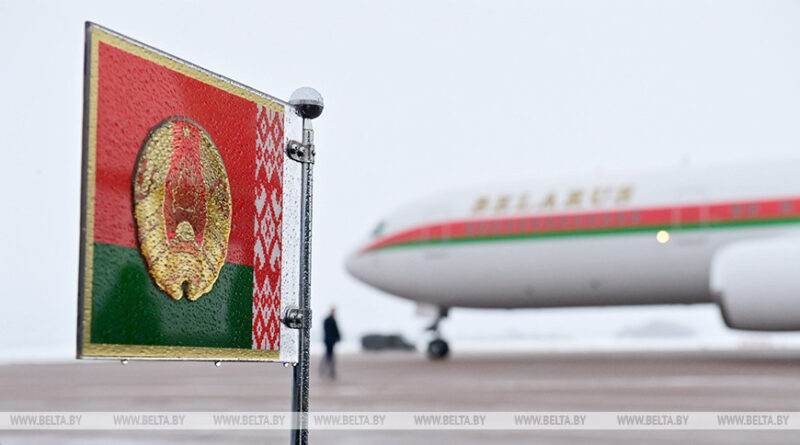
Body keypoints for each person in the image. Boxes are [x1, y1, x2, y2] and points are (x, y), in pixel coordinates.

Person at [320, 307, 341, 379]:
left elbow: (336, 331)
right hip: (329, 341)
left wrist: (337, 338)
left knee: (328, 355)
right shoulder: (329, 320)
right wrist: (336, 338)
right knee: (329, 356)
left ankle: (327, 370)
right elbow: (333, 331)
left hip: (329, 340)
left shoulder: (330, 320)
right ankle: (329, 371)